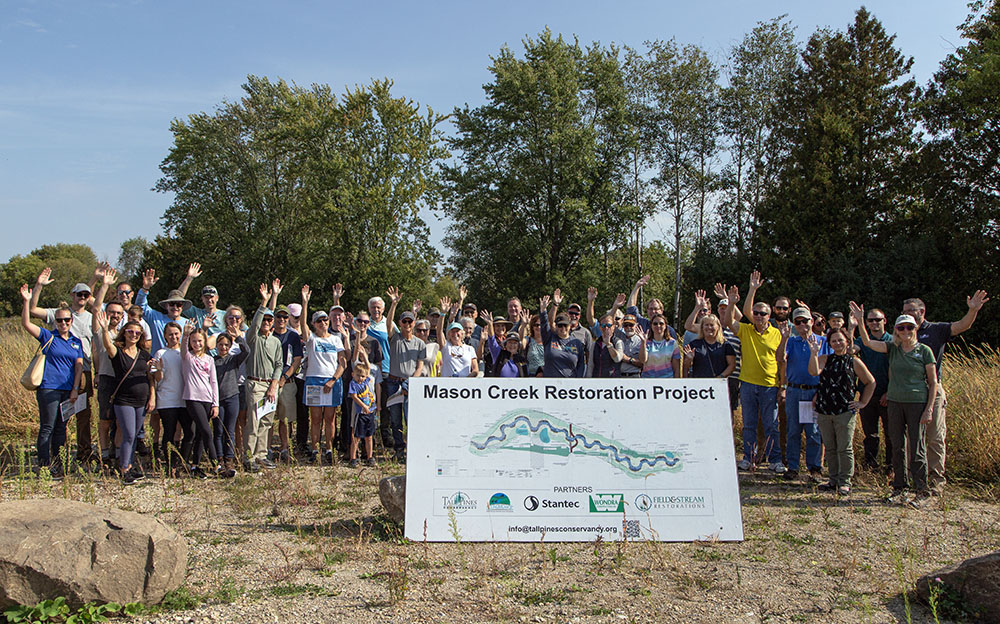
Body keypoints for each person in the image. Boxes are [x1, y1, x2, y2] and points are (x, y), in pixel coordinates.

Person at [851, 302, 938, 503]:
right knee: (897, 445)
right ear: (896, 331)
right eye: (901, 328)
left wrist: (929, 409)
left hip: (917, 403)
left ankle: (922, 491)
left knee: (917, 447)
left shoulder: (924, 351)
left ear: (915, 328)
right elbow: (868, 342)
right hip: (895, 402)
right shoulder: (893, 348)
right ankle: (900, 487)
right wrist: (861, 321)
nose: (906, 331)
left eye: (909, 327)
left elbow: (933, 383)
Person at [903, 291, 989, 495]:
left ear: (921, 311)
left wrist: (973, 310)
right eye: (904, 311)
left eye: (910, 311)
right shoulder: (903, 332)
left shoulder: (936, 330)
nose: (906, 314)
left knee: (934, 436)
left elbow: (962, 325)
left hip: (933, 389)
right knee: (911, 438)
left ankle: (936, 481)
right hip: (910, 391)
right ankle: (911, 479)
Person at [722, 271, 789, 474]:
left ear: (770, 316)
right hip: (748, 384)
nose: (759, 316)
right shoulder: (746, 330)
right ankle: (749, 458)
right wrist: (734, 301)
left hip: (769, 385)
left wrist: (782, 386)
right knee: (749, 425)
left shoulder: (777, 333)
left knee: (771, 426)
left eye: (763, 313)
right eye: (756, 313)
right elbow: (727, 322)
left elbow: (781, 360)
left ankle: (775, 460)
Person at [29, 266, 95, 462]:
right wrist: (38, 286)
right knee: (57, 422)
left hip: (83, 372)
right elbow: (32, 310)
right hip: (58, 376)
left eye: (86, 294)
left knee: (82, 415)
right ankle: (53, 457)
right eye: (79, 294)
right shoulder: (58, 313)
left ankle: (83, 453)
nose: (82, 297)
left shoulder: (92, 318)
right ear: (72, 295)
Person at [19, 284, 83, 477]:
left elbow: (78, 366)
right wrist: (26, 301)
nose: (63, 323)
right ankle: (45, 464)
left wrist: (75, 389)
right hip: (49, 388)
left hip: (67, 389)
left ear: (71, 321)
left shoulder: (76, 341)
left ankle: (59, 463)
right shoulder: (48, 336)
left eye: (66, 320)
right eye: (59, 320)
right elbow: (27, 324)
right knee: (47, 426)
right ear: (55, 321)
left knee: (61, 428)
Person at [808, 328, 876, 496]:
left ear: (847, 341)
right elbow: (813, 371)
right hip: (824, 410)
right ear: (829, 343)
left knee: (844, 448)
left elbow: (870, 382)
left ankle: (845, 481)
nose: (837, 343)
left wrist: (862, 402)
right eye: (833, 341)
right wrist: (813, 353)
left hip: (845, 411)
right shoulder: (825, 359)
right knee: (830, 447)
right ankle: (833, 479)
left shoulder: (854, 362)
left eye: (840, 340)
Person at [95, 309, 154, 485]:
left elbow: (152, 377)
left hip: (141, 400)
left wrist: (152, 397)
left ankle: (128, 464)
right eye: (130, 332)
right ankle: (124, 469)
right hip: (124, 400)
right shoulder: (118, 352)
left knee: (135, 434)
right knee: (128, 433)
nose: (134, 335)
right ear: (124, 333)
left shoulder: (144, 354)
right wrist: (105, 329)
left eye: (137, 333)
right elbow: (107, 346)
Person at [778, 307, 829, 482]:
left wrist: (821, 392)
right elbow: (780, 358)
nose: (802, 325)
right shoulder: (791, 342)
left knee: (813, 431)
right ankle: (793, 467)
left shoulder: (822, 341)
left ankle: (814, 468)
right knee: (793, 430)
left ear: (812, 322)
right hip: (794, 391)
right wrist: (784, 338)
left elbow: (827, 370)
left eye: (805, 321)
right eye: (797, 322)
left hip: (812, 392)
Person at [299, 285, 348, 465]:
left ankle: (328, 449)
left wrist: (333, 380)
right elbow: (303, 325)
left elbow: (342, 362)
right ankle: (315, 449)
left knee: (330, 418)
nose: (323, 323)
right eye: (319, 321)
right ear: (314, 324)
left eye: (325, 320)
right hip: (314, 380)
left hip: (332, 381)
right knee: (316, 419)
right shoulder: (312, 339)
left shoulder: (336, 339)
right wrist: (305, 303)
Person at [243, 281, 283, 471]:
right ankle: (248, 457)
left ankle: (261, 455)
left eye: (270, 320)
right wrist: (265, 302)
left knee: (266, 421)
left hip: (270, 386)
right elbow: (255, 324)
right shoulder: (253, 338)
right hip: (255, 384)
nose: (266, 323)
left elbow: (279, 364)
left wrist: (274, 385)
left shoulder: (275, 341)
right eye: (264, 320)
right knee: (253, 422)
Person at [384, 287, 427, 461]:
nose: (407, 325)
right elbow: (388, 323)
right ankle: (399, 449)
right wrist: (393, 304)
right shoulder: (395, 338)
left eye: (410, 322)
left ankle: (412, 450)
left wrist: (411, 382)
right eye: (404, 322)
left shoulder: (420, 343)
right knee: (395, 419)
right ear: (400, 323)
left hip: (411, 385)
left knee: (411, 420)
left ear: (414, 323)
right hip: (393, 383)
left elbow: (420, 366)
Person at [854, 308, 893, 473]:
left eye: (878, 319)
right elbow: (851, 350)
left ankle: (891, 467)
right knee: (870, 434)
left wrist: (889, 391)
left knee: (891, 434)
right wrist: (851, 327)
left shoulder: (892, 341)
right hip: (867, 394)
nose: (874, 323)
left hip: (888, 394)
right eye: (870, 320)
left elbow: (897, 369)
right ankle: (870, 465)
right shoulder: (862, 340)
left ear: (884, 320)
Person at [180, 322, 219, 478]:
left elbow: (214, 381)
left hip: (207, 399)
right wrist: (185, 334)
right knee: (207, 431)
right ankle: (217, 465)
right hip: (193, 398)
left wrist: (215, 403)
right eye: (194, 341)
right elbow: (183, 349)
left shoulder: (209, 359)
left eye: (200, 341)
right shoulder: (187, 358)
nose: (197, 344)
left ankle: (195, 466)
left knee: (201, 435)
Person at [152, 322, 190, 473]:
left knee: (188, 431)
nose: (173, 337)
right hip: (167, 399)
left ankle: (183, 461)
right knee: (169, 430)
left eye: (176, 334)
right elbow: (157, 378)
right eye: (170, 334)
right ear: (165, 337)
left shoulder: (185, 352)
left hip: (185, 398)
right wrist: (159, 370)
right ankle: (170, 464)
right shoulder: (160, 353)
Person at [270, 299, 303, 463]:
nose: (281, 320)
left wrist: (284, 377)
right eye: (278, 317)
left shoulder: (293, 336)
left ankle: (285, 448)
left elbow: (297, 359)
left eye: (284, 317)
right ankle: (267, 448)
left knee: (286, 419)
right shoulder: (267, 334)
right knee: (267, 418)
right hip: (268, 383)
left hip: (287, 383)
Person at [213, 331, 248, 477]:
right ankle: (219, 459)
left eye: (226, 345)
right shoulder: (212, 360)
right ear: (216, 346)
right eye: (220, 344)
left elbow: (247, 351)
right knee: (218, 430)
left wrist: (238, 338)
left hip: (232, 396)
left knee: (230, 429)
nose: (223, 347)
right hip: (218, 399)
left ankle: (229, 458)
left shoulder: (233, 360)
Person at [538, 290, 586, 378]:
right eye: (560, 325)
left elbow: (581, 365)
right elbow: (544, 323)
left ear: (570, 325)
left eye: (565, 325)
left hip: (570, 386)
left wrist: (578, 382)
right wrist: (543, 310)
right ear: (556, 326)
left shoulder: (577, 343)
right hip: (550, 385)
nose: (563, 328)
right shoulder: (549, 338)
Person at [682, 314, 736, 380]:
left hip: (719, 383)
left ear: (718, 327)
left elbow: (732, 365)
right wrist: (689, 359)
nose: (709, 327)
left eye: (712, 325)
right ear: (702, 328)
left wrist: (720, 377)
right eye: (706, 325)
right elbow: (686, 367)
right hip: (699, 384)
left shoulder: (726, 345)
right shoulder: (694, 344)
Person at [436, 300, 480, 378]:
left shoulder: (470, 349)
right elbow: (439, 331)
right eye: (452, 331)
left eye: (457, 331)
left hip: (464, 387)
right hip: (446, 386)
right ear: (449, 334)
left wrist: (468, 378)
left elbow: (475, 369)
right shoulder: (445, 347)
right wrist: (443, 314)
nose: (455, 334)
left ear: (462, 333)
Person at [348, 357, 377, 468]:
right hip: (359, 413)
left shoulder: (366, 381)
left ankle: (370, 457)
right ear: (353, 374)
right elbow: (354, 396)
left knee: (369, 436)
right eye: (358, 375)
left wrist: (365, 357)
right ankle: (353, 458)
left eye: (362, 376)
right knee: (356, 436)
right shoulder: (353, 384)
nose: (360, 378)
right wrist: (363, 406)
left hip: (369, 412)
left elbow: (368, 368)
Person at [641, 314, 680, 378]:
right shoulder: (646, 342)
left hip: (667, 380)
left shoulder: (672, 343)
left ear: (665, 326)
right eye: (655, 324)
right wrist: (643, 343)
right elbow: (643, 360)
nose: (658, 326)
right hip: (648, 380)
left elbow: (676, 369)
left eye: (661, 323)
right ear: (651, 326)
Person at [591, 314, 620, 378]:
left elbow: (617, 359)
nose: (606, 328)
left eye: (609, 325)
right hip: (597, 379)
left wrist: (609, 344)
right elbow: (591, 365)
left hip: (613, 380)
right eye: (603, 325)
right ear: (600, 327)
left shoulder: (618, 342)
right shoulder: (595, 344)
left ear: (613, 327)